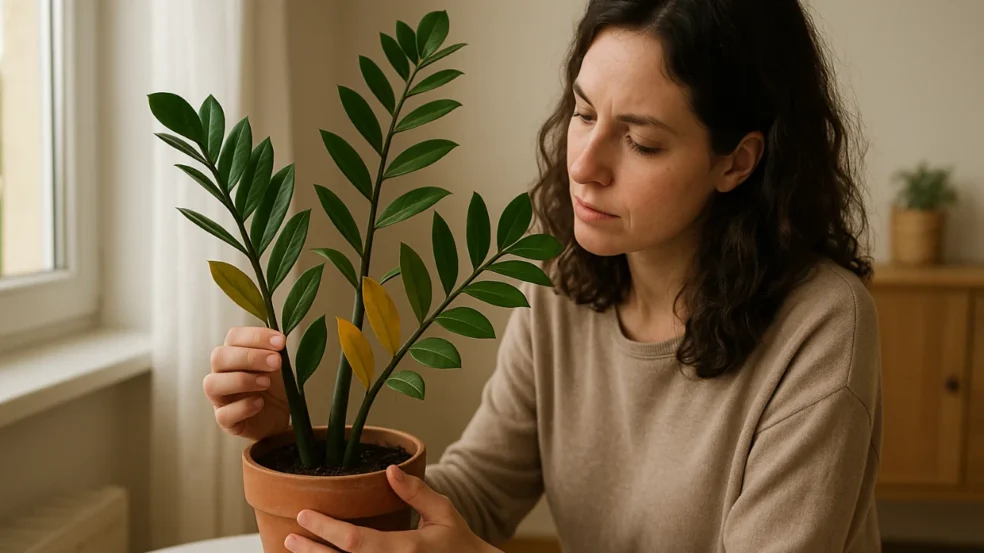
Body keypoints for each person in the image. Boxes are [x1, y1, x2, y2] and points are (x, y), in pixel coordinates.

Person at [203, 0, 881, 551]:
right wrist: (302, 444)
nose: (583, 164)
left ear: (737, 161)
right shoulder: (562, 282)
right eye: (584, 113)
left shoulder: (821, 325)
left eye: (641, 141)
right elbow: (477, 491)